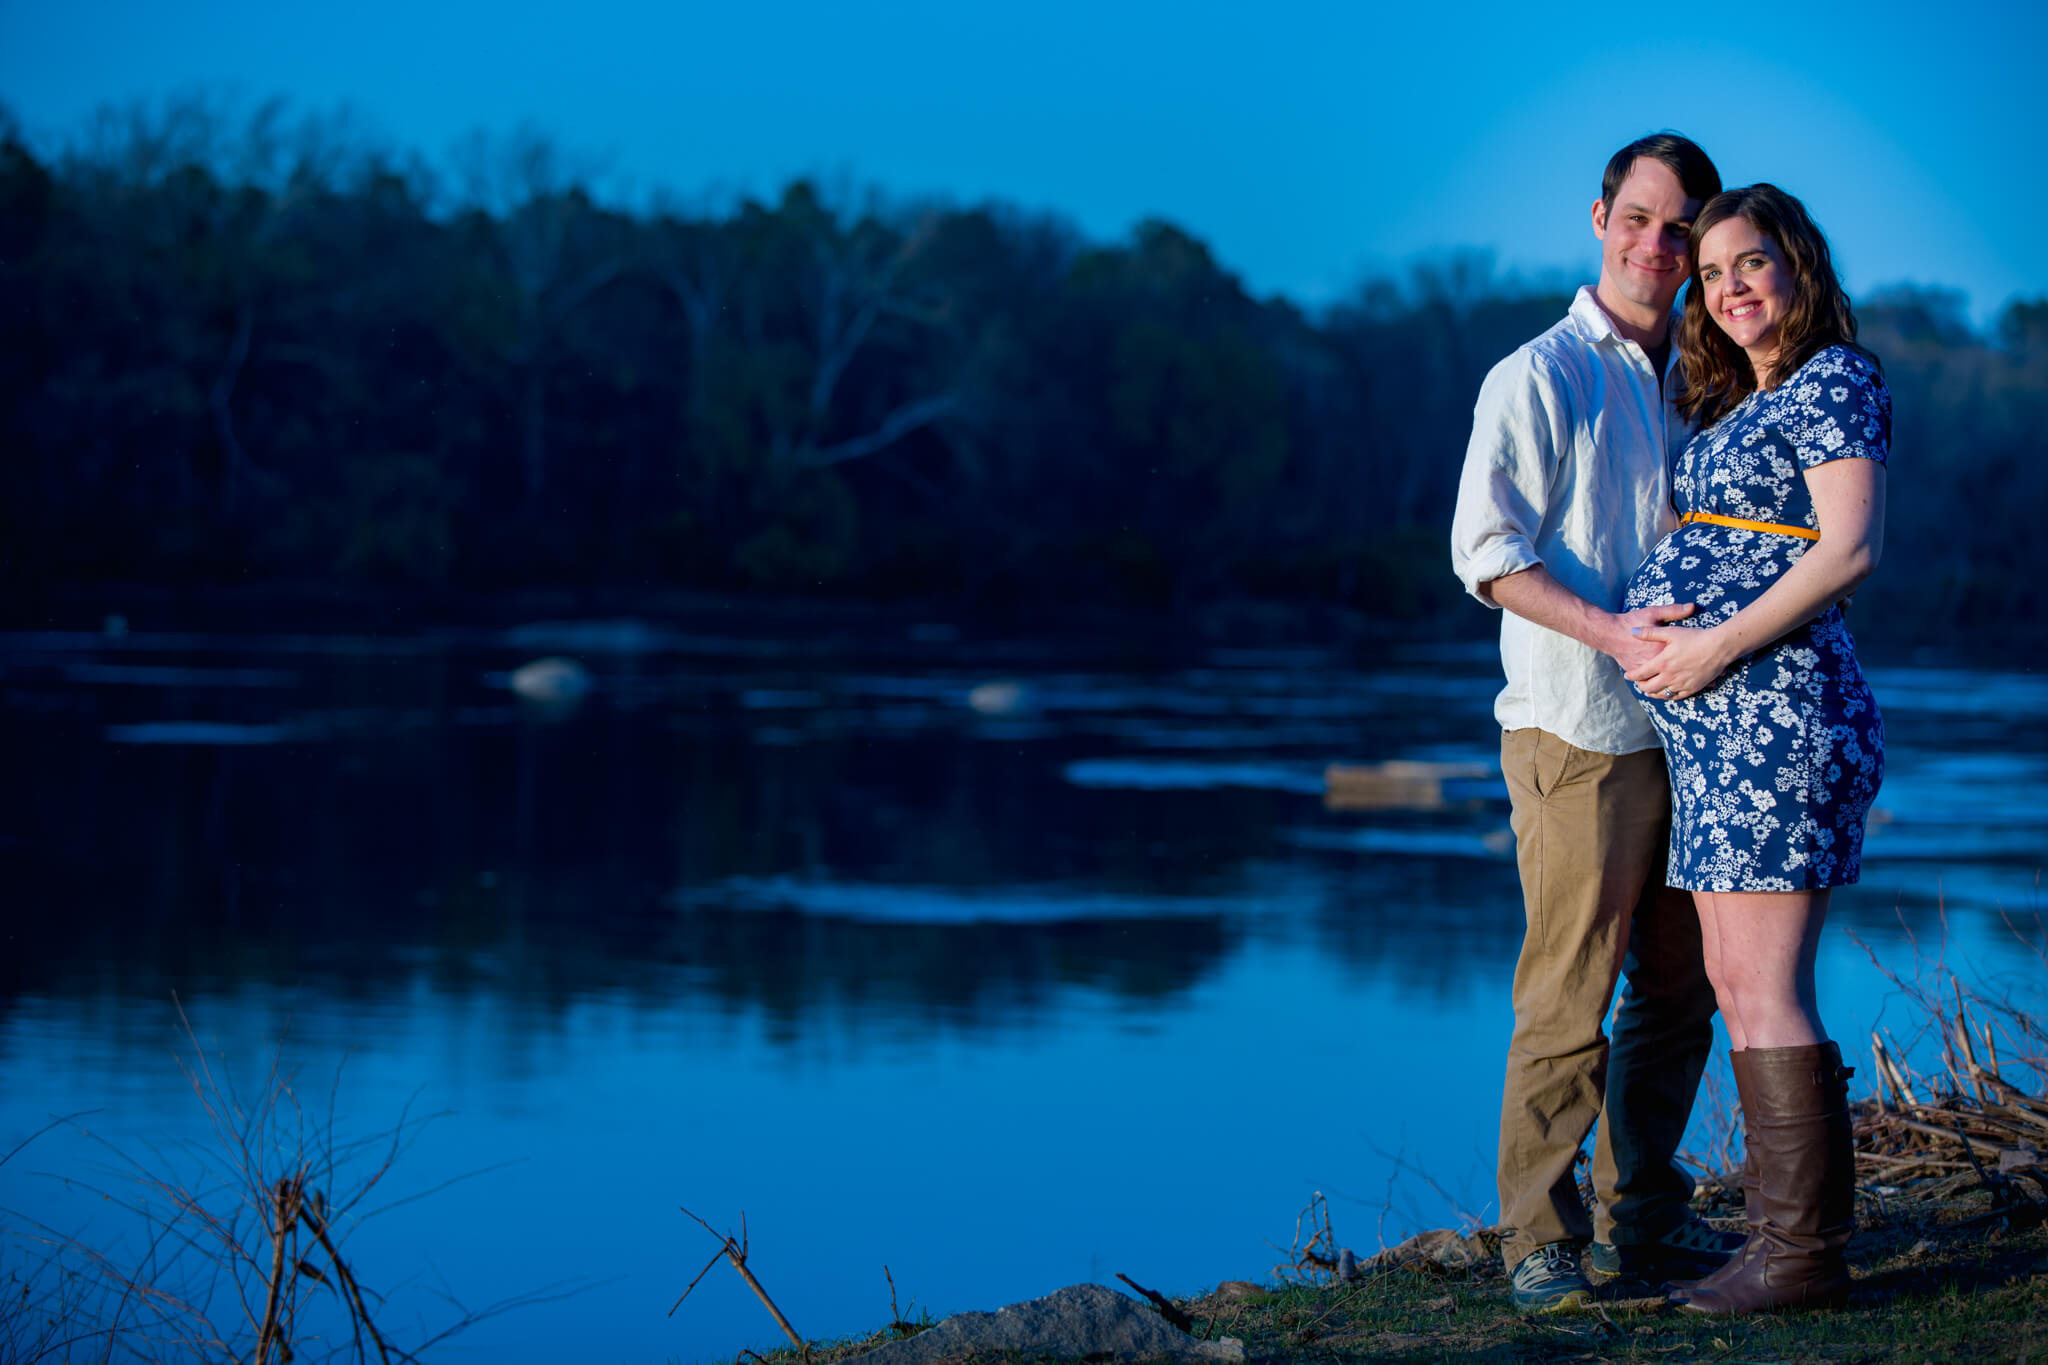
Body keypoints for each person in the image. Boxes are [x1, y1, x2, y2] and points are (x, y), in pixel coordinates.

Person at [1450, 133, 1744, 1312]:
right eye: (1637, 217)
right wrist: (1615, 633)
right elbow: (1484, 557)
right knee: (1569, 993)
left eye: (1679, 228)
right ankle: (1536, 1238)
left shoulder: (1702, 377)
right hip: (1578, 732)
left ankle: (1640, 1223)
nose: (1654, 244)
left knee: (1680, 992)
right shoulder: (1536, 375)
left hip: (1700, 733)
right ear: (1598, 218)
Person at [1621, 183, 1887, 1315]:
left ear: (1798, 268)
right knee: (1734, 981)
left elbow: (1849, 550)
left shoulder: (1835, 379)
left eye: (1752, 264)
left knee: (1767, 986)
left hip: (1776, 718)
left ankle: (1800, 1259)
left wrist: (1710, 645)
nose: (1728, 287)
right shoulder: (1740, 399)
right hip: (1718, 732)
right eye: (1713, 270)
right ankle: (1782, 1243)